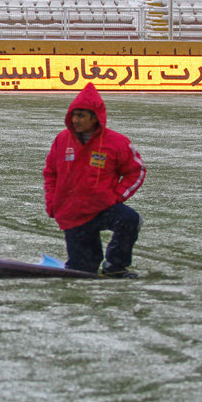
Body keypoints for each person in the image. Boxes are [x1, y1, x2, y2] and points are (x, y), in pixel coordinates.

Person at [43, 82, 146, 278]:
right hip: (73, 213)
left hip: (102, 208)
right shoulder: (62, 140)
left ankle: (115, 267)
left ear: (95, 117)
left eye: (81, 115)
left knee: (129, 219)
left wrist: (116, 196)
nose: (75, 120)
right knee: (83, 271)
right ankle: (85, 265)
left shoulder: (117, 142)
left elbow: (136, 170)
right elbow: (50, 173)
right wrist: (52, 203)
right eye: (73, 115)